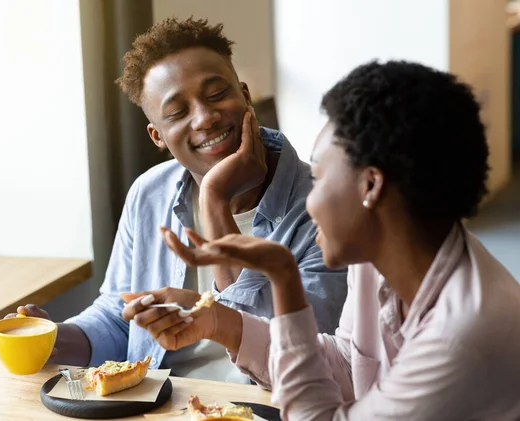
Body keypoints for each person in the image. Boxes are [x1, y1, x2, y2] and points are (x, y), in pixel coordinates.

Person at [123, 60, 520, 419]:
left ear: (370, 186)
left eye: (321, 175)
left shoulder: (458, 338)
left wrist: (284, 277)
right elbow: (348, 366)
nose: (309, 200)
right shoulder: (376, 259)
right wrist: (217, 321)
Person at [10, 17, 347, 384]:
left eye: (217, 94)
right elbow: (118, 315)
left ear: (246, 96)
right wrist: (55, 339)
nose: (205, 118)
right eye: (177, 113)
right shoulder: (149, 193)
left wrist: (215, 200)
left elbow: (302, 361)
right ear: (157, 135)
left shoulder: (325, 204)